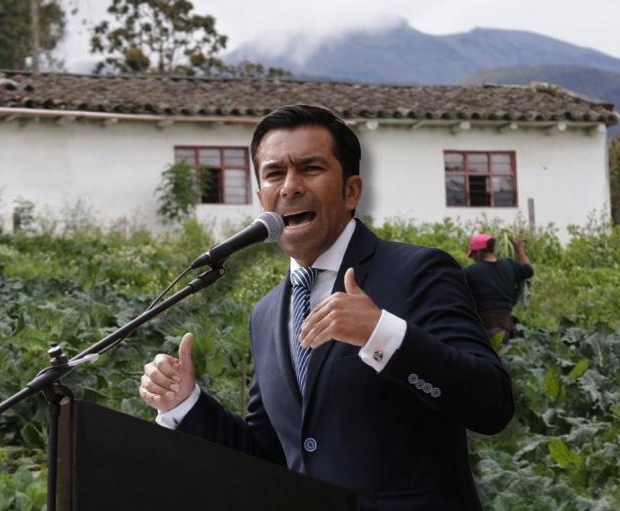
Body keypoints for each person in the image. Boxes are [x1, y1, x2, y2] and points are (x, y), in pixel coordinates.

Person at [140, 105, 514, 511]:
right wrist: (185, 405)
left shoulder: (417, 272)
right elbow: (272, 454)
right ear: (261, 198)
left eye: (310, 168)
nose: (290, 187)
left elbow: (490, 406)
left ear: (351, 191)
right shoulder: (266, 313)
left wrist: (382, 334)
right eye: (274, 174)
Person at [465, 233, 534, 342]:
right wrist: (519, 249)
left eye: (472, 255)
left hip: (484, 332)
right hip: (506, 329)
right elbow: (529, 270)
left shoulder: (470, 272)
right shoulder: (509, 265)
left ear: (478, 253)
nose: (473, 258)